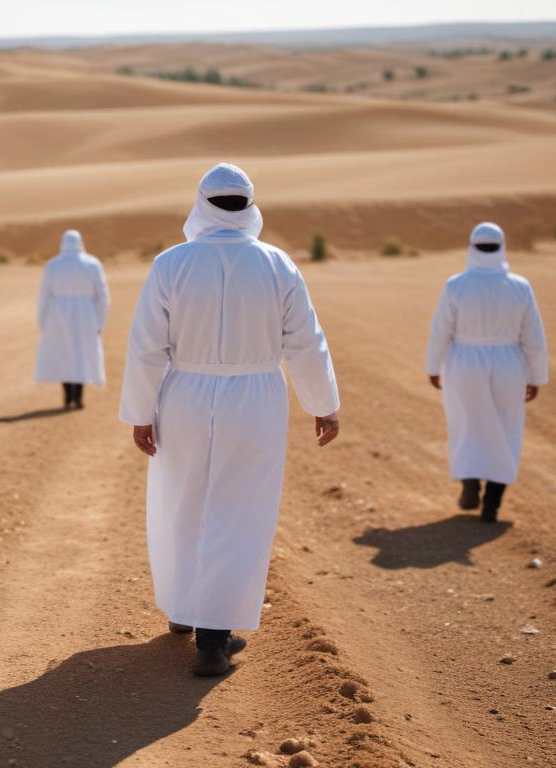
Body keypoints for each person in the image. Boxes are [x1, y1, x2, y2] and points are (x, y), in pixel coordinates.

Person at [119, 163, 340, 677]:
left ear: (202, 203)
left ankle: (184, 612)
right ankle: (212, 639)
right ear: (249, 205)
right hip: (256, 398)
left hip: (185, 395)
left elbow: (147, 347)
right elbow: (305, 341)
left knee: (182, 499)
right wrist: (322, 403)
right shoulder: (277, 264)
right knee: (238, 509)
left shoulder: (170, 264)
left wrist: (140, 412)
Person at [425, 222, 547, 522]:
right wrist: (536, 376)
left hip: (464, 362)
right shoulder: (520, 286)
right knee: (506, 430)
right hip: (509, 364)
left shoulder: (455, 285)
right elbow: (533, 337)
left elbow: (441, 332)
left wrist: (433, 367)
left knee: (466, 424)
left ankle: (469, 483)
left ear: (471, 247)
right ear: (502, 247)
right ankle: (492, 503)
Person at [34, 229, 109, 409]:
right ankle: (78, 396)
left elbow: (43, 296)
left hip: (58, 316)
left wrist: (42, 321)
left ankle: (68, 396)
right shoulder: (93, 264)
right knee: (81, 354)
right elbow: (103, 295)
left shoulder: (53, 265)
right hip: (87, 315)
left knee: (64, 354)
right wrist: (100, 321)